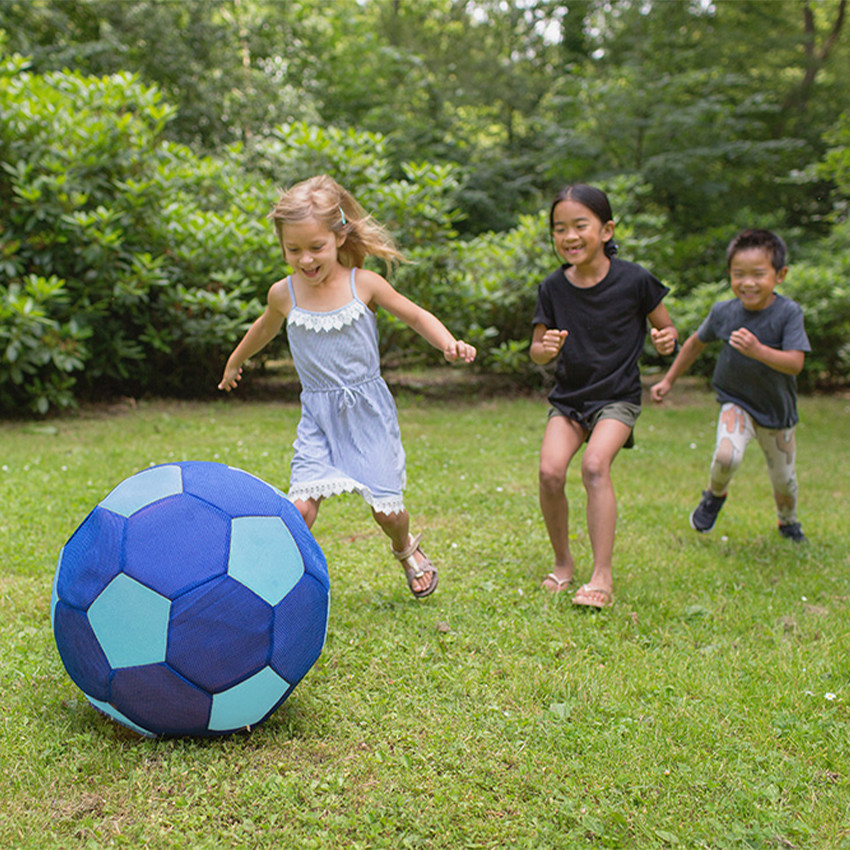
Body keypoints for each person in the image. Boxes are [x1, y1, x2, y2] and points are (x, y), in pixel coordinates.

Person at [218, 174, 476, 598]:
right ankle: (278, 584)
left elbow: (414, 315)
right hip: (317, 415)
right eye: (293, 250)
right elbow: (263, 330)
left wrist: (448, 343)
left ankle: (405, 548)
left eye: (315, 247)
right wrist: (234, 362)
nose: (305, 259)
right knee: (300, 508)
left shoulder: (364, 283)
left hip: (367, 412)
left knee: (387, 513)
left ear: (339, 237)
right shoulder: (284, 293)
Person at [531, 184, 678, 609]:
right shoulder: (553, 288)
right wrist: (546, 349)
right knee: (550, 473)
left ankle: (602, 576)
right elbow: (536, 348)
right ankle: (562, 564)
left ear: (607, 229)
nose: (570, 237)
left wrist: (666, 340)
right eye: (560, 229)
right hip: (570, 397)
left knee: (595, 465)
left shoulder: (635, 279)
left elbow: (666, 329)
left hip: (617, 397)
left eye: (581, 225)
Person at [650, 228, 809, 542]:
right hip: (736, 401)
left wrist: (758, 350)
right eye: (739, 274)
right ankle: (714, 495)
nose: (747, 282)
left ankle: (788, 523)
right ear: (729, 275)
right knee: (726, 456)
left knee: (784, 481)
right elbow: (695, 343)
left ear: (780, 275)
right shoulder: (724, 312)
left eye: (758, 274)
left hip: (778, 413)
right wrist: (669, 380)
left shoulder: (788, 313)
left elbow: (795, 362)